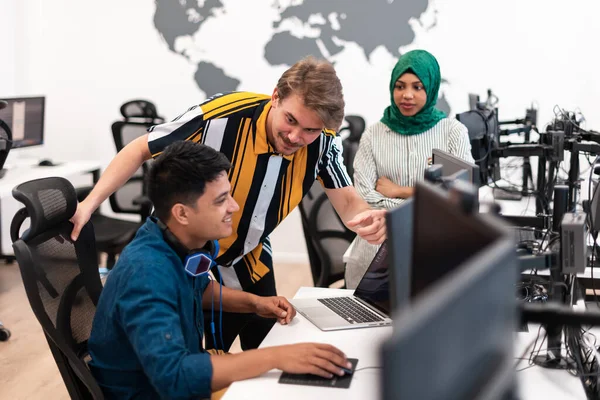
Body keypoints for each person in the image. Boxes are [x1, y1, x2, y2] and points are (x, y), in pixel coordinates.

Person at [71, 56, 386, 351]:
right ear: (275, 96)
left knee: (268, 352)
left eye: (310, 130)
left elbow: (347, 201)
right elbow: (141, 147)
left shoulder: (324, 142)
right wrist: (89, 204)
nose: (295, 137)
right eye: (290, 120)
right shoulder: (220, 116)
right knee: (193, 358)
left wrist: (369, 219)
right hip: (188, 259)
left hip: (251, 257)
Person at [88, 141, 353, 400]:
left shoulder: (174, 239)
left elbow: (196, 287)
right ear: (182, 213)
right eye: (221, 200)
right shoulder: (146, 275)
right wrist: (276, 357)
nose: (234, 207)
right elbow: (175, 378)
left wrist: (255, 303)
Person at [345, 49, 474, 288]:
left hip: (433, 247)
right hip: (376, 249)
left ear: (431, 87)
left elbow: (459, 198)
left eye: (417, 87)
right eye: (400, 86)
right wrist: (422, 205)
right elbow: (364, 195)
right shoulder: (373, 135)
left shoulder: (452, 132)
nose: (407, 95)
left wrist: (399, 191)